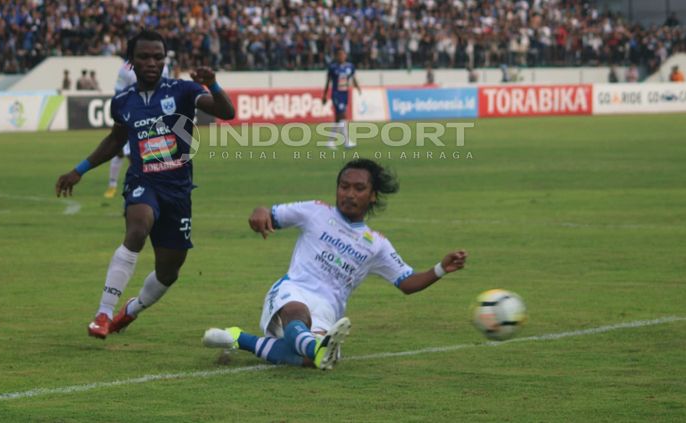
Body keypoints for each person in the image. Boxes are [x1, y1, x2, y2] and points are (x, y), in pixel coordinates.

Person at [202, 159, 468, 370]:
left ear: (373, 195)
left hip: (327, 309)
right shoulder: (315, 212)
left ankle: (239, 338)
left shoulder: (376, 244)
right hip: (293, 292)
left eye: (359, 188)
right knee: (298, 316)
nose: (349, 193)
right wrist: (259, 212)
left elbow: (407, 282)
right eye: (344, 186)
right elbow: (268, 214)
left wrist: (441, 268)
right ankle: (314, 346)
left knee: (308, 360)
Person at [55, 29, 235, 339]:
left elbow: (226, 112)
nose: (152, 62)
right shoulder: (123, 101)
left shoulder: (183, 90)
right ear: (131, 62)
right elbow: (116, 140)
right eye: (144, 57)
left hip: (178, 190)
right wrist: (79, 170)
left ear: (165, 60)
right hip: (142, 182)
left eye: (158, 57)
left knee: (169, 271)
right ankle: (103, 313)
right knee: (138, 227)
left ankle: (130, 311)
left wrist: (213, 84)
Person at [104, 56, 171, 199]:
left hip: (154, 118)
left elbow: (166, 90)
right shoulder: (126, 69)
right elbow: (118, 92)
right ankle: (113, 185)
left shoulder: (163, 67)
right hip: (131, 117)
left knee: (149, 156)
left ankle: (144, 191)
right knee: (122, 152)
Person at [322, 49, 361, 149]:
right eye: (339, 55)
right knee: (342, 116)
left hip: (345, 94)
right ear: (336, 56)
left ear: (345, 56)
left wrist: (358, 87)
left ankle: (330, 142)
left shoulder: (350, 66)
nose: (341, 56)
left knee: (338, 119)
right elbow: (328, 82)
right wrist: (325, 95)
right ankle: (346, 141)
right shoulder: (333, 68)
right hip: (336, 94)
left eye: (343, 54)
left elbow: (353, 78)